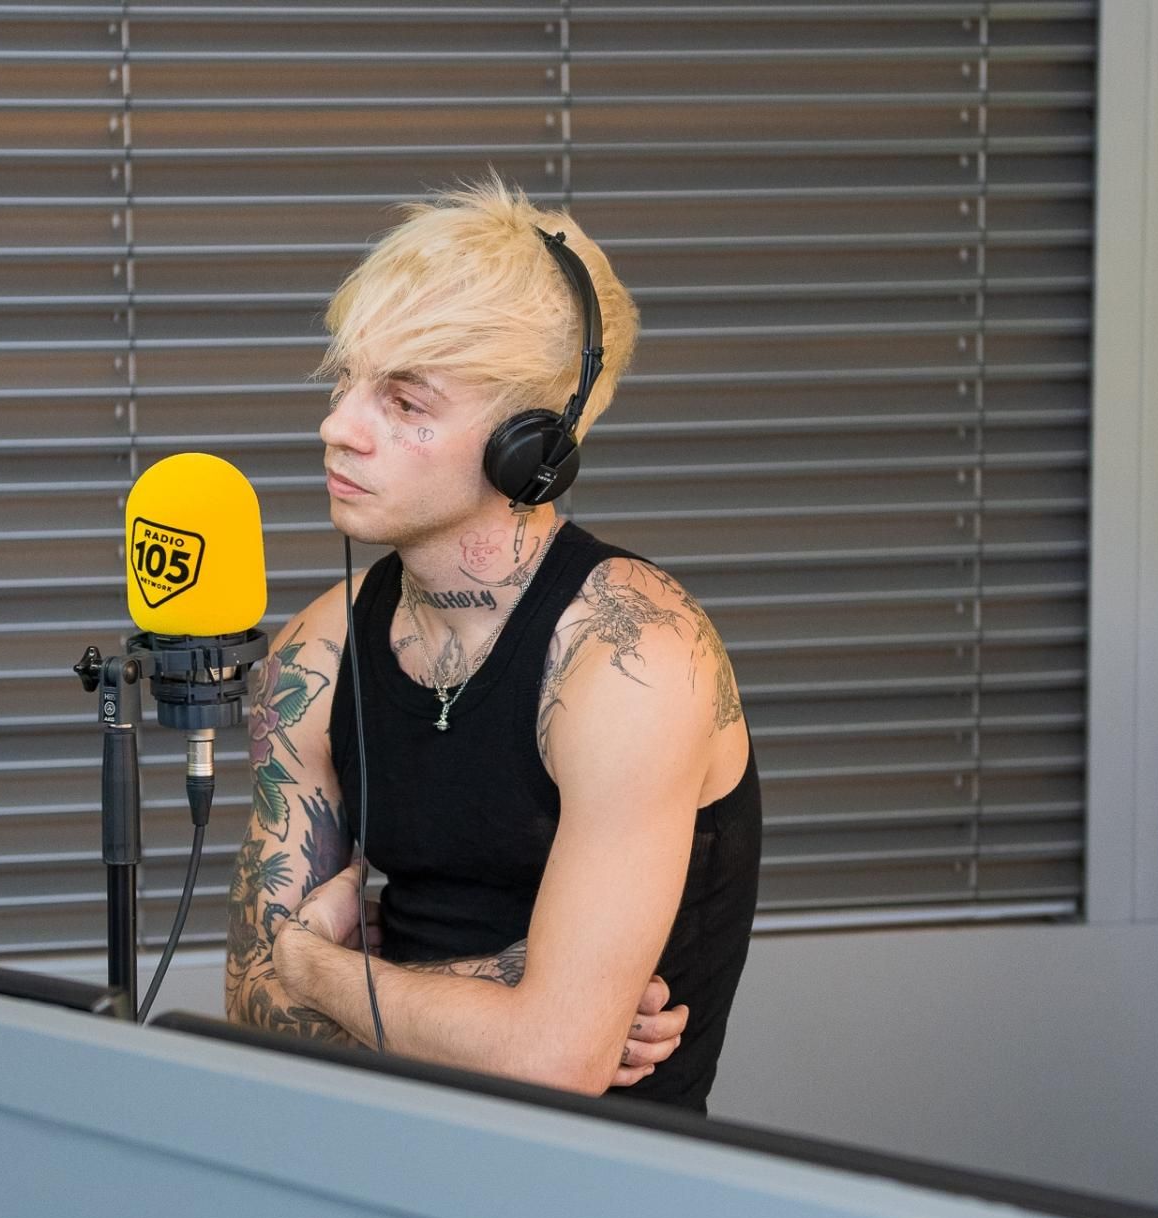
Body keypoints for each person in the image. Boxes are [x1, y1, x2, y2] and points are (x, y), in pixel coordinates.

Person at [223, 176, 761, 1112]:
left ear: (530, 445)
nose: (337, 426)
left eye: (404, 402)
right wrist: (509, 998)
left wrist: (314, 966)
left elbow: (551, 1068)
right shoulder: (314, 655)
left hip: (602, 1183)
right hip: (382, 1161)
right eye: (347, 380)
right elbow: (249, 1009)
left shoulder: (633, 657)